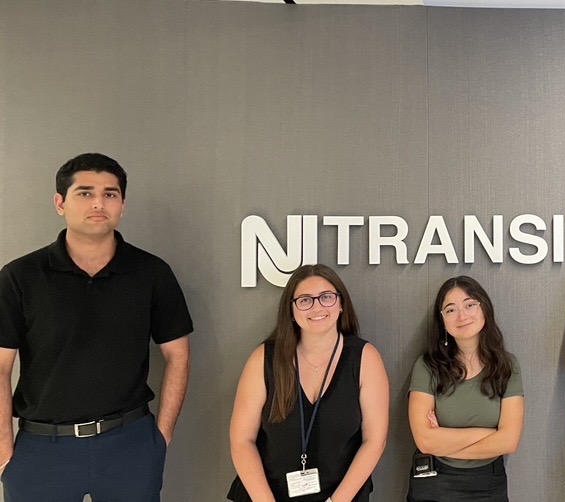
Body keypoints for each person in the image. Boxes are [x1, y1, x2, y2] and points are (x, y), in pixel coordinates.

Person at [0, 153, 194, 501]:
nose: (98, 203)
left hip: (130, 444)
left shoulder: (151, 273)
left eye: (110, 193)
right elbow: (0, 367)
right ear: (60, 202)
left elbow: (177, 356)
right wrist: (4, 454)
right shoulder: (20, 277)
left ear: (122, 204)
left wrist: (159, 438)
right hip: (42, 448)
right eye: (85, 193)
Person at [228, 264, 388, 502]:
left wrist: (337, 501)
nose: (317, 307)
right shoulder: (264, 358)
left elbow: (375, 440)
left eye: (326, 297)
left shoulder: (365, 358)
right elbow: (242, 441)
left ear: (341, 303)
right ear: (291, 310)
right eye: (305, 300)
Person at [406, 276, 524, 502]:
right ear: (442, 320)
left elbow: (508, 441)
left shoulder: (507, 366)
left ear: (484, 308)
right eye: (450, 310)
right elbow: (425, 441)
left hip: (488, 482)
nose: (462, 316)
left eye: (470, 305)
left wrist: (444, 442)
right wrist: (488, 435)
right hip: (435, 479)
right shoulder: (427, 366)